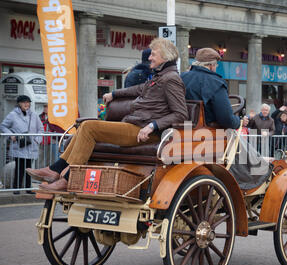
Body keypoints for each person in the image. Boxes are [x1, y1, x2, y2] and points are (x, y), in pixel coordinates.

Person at [26, 38, 188, 191]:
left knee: (89, 127)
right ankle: (55, 170)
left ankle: (66, 177)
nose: (150, 57)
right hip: (135, 125)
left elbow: (180, 113)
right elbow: (138, 89)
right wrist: (114, 94)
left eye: (153, 54)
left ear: (165, 57)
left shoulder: (171, 79)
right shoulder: (160, 77)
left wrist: (152, 126)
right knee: (85, 127)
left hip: (142, 130)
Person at [181, 48, 243, 130]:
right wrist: (238, 121)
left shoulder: (181, 77)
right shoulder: (216, 83)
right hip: (207, 133)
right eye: (216, 65)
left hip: (180, 128)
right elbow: (226, 119)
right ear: (211, 66)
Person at [0, 95, 44, 194]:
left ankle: (28, 188)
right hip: (19, 146)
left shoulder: (34, 115)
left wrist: (37, 140)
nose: (26, 104)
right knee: (19, 168)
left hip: (31, 146)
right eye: (24, 102)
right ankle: (17, 188)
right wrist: (11, 136)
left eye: (28, 102)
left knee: (29, 169)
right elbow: (3, 126)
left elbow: (41, 129)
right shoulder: (12, 115)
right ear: (19, 103)